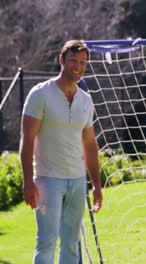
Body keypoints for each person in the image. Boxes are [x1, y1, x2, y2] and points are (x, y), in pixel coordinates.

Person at [20, 40, 102, 264]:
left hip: (77, 181)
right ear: (61, 60)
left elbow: (90, 144)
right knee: (46, 242)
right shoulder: (40, 94)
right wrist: (28, 181)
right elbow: (26, 140)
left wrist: (96, 184)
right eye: (73, 61)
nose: (78, 66)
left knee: (71, 245)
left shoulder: (86, 100)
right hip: (48, 181)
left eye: (83, 62)